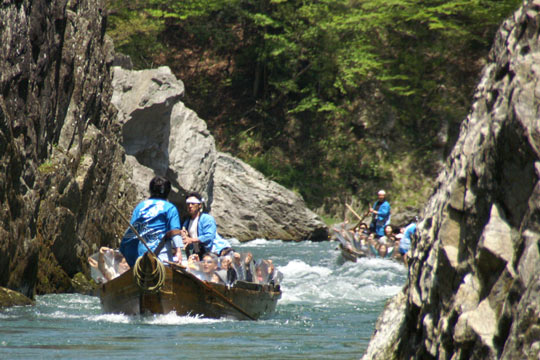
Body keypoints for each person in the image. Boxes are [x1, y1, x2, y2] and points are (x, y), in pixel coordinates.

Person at [119, 176, 183, 267]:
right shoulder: (170, 208)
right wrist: (178, 250)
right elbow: (175, 231)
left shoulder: (141, 206)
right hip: (162, 254)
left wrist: (123, 249)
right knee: (161, 276)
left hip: (142, 253)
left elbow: (132, 230)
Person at [180, 192, 226, 259]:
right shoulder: (186, 221)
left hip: (214, 251)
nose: (190, 206)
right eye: (188, 204)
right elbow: (187, 239)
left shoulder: (207, 218)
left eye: (193, 204)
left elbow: (209, 236)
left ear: (200, 205)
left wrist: (191, 240)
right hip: (198, 251)